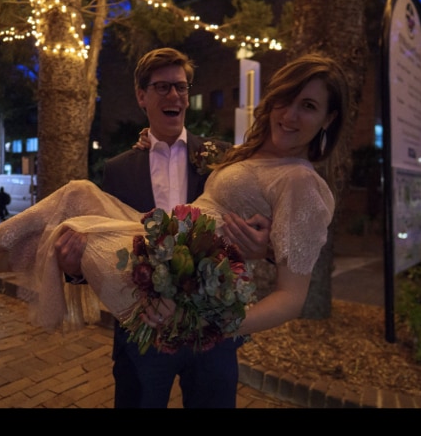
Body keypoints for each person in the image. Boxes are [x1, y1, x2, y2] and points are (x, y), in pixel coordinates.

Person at [0, 52, 348, 397]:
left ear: (328, 119)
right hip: (158, 242)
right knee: (77, 193)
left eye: (307, 106)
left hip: (186, 297)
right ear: (143, 97)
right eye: (285, 99)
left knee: (70, 224)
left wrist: (209, 318)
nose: (289, 115)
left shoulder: (299, 181)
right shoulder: (240, 155)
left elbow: (293, 295)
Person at [55, 47, 272, 409]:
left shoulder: (222, 157)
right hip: (144, 332)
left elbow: (260, 216)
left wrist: (262, 243)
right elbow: (105, 243)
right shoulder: (119, 169)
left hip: (213, 333)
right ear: (142, 96)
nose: (174, 95)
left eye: (181, 87)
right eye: (162, 87)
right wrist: (75, 270)